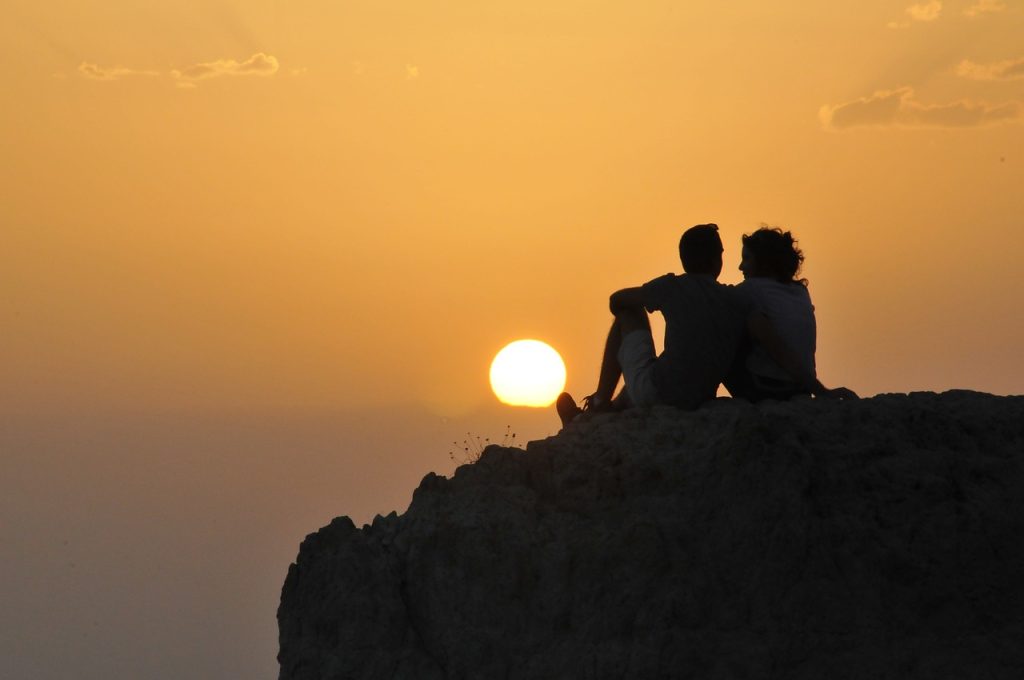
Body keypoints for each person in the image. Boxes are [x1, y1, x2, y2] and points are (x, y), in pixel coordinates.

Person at [557, 224, 854, 427]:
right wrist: (816, 388)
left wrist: (656, 296)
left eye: (745, 259)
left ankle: (597, 404)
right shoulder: (752, 297)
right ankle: (602, 412)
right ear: (717, 260)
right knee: (658, 371)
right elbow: (774, 340)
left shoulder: (691, 288)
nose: (738, 266)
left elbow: (617, 300)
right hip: (709, 395)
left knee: (631, 320)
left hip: (700, 391)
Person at [724, 227, 855, 402]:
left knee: (716, 327)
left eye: (746, 259)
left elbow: (775, 345)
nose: (741, 266)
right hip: (800, 389)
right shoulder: (800, 291)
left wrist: (822, 391)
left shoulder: (751, 290)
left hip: (768, 388)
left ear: (763, 262)